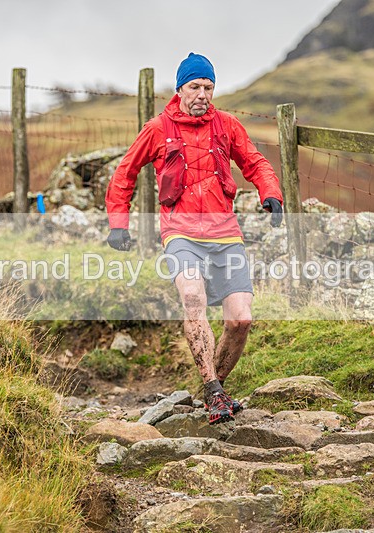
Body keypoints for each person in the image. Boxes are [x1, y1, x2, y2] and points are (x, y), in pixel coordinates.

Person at [105, 52, 284, 424]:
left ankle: (213, 387)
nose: (202, 94)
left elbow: (255, 162)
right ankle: (214, 391)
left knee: (241, 320)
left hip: (225, 232)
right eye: (195, 86)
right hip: (181, 230)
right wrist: (117, 223)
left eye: (208, 86)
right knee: (191, 296)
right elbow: (126, 172)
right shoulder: (157, 128)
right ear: (180, 88)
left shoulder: (227, 125)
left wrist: (271, 193)